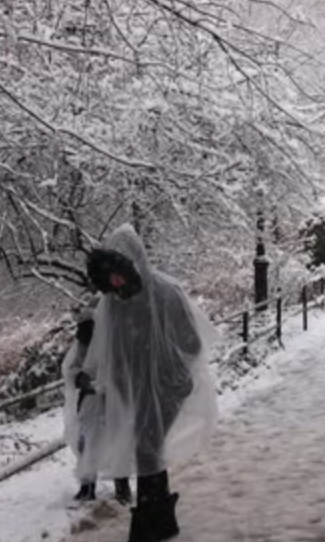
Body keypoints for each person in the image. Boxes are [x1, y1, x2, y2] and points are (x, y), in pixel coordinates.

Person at [83, 225, 218, 542]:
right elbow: (109, 349)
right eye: (110, 277)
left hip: (168, 387)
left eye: (119, 273)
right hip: (133, 389)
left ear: (134, 264)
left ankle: (148, 523)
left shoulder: (165, 292)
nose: (115, 282)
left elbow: (192, 343)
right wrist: (107, 381)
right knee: (148, 447)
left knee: (146, 447)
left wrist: (165, 378)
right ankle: (160, 519)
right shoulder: (113, 302)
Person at [63, 307, 132, 505]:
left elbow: (122, 367)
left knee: (118, 440)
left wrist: (109, 383)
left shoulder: (112, 343)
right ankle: (87, 486)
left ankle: (122, 486)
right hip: (90, 402)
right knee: (87, 444)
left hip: (113, 400)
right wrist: (82, 379)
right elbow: (72, 370)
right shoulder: (81, 345)